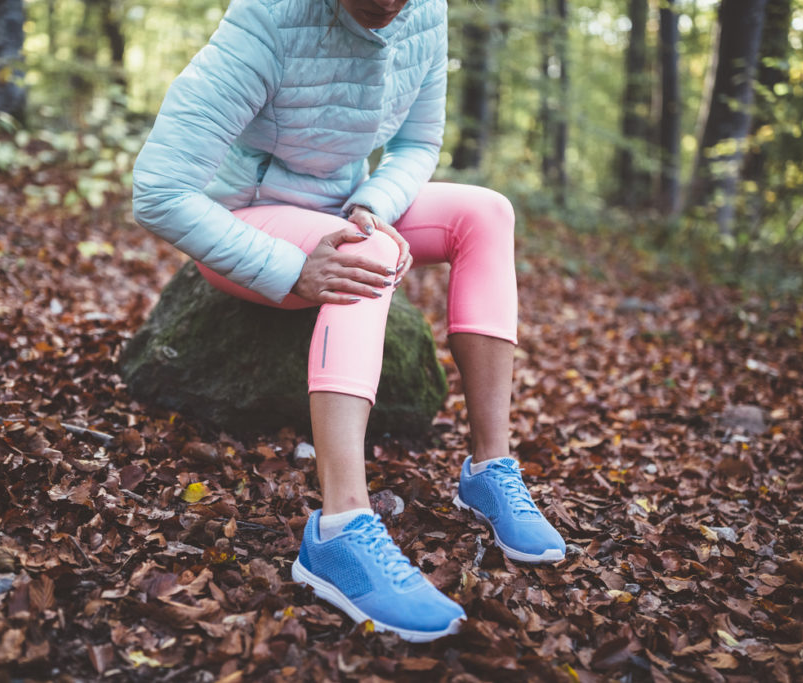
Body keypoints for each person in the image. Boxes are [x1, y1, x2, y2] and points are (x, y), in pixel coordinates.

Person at [132, 0, 566, 642]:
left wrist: (373, 200)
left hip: (344, 207)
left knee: (488, 212)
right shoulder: (268, 19)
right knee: (371, 253)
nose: (391, 6)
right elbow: (159, 191)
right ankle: (340, 529)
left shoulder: (425, 13)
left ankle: (489, 470)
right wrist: (288, 269)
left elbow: (419, 142)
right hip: (248, 220)